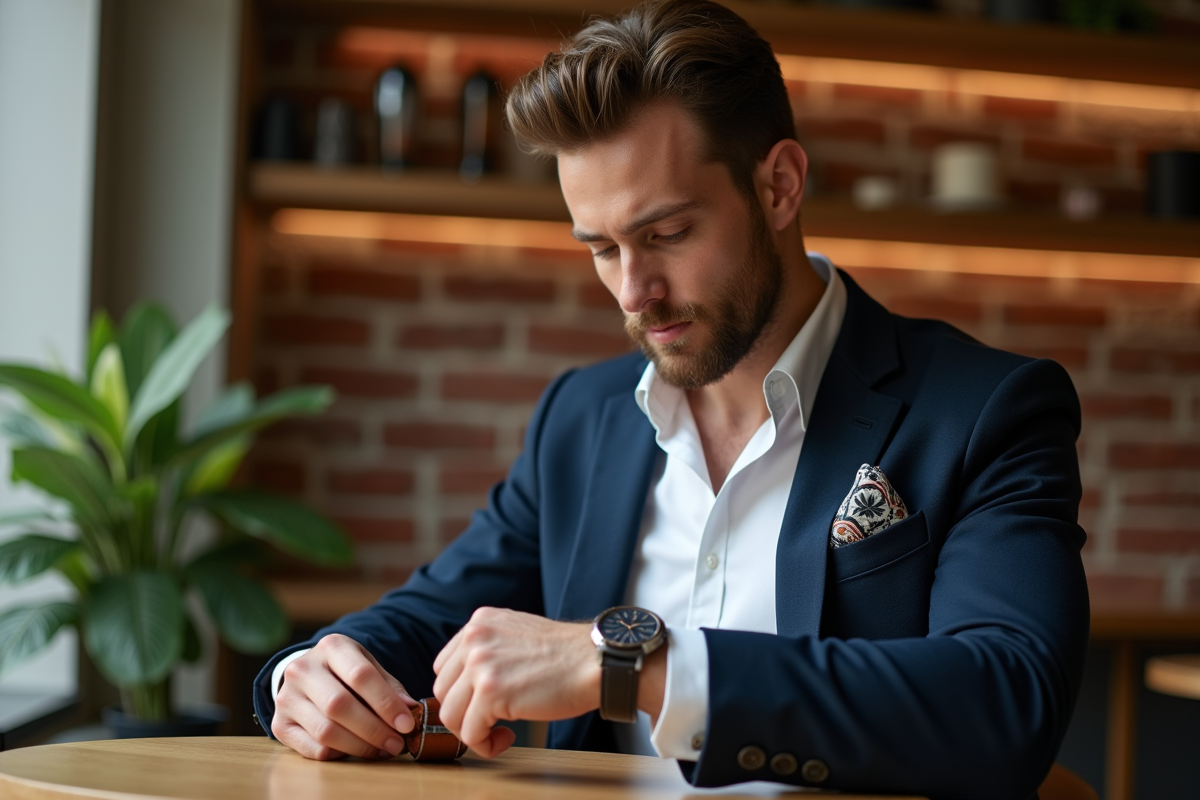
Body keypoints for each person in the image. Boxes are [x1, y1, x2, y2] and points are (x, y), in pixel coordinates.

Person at [252, 2, 1089, 797]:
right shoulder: (579, 421)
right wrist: (317, 675)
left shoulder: (988, 409)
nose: (634, 291)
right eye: (602, 249)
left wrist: (634, 665)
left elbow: (1007, 701)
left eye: (667, 234)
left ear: (780, 186)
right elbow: (431, 617)